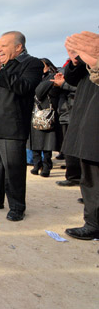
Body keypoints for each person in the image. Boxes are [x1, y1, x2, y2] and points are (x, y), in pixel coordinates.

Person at [0, 31, 42, 222]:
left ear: (19, 47)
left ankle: (17, 207)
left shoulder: (31, 64)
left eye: (3, 45)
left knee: (13, 169)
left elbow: (23, 87)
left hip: (12, 126)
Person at [62, 31, 99, 240]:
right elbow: (71, 79)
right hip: (88, 116)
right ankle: (92, 223)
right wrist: (76, 60)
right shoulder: (91, 51)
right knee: (91, 177)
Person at [28, 58, 62, 177]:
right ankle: (37, 164)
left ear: (47, 66)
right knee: (34, 142)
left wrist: (48, 83)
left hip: (47, 112)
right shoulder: (35, 76)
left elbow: (39, 92)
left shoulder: (53, 76)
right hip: (34, 112)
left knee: (47, 143)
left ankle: (47, 165)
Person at [52, 62, 81, 187]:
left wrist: (64, 84)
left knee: (78, 149)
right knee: (68, 148)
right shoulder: (66, 70)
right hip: (65, 114)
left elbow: (82, 89)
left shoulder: (86, 71)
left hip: (77, 114)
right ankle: (73, 176)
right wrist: (57, 85)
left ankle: (78, 178)